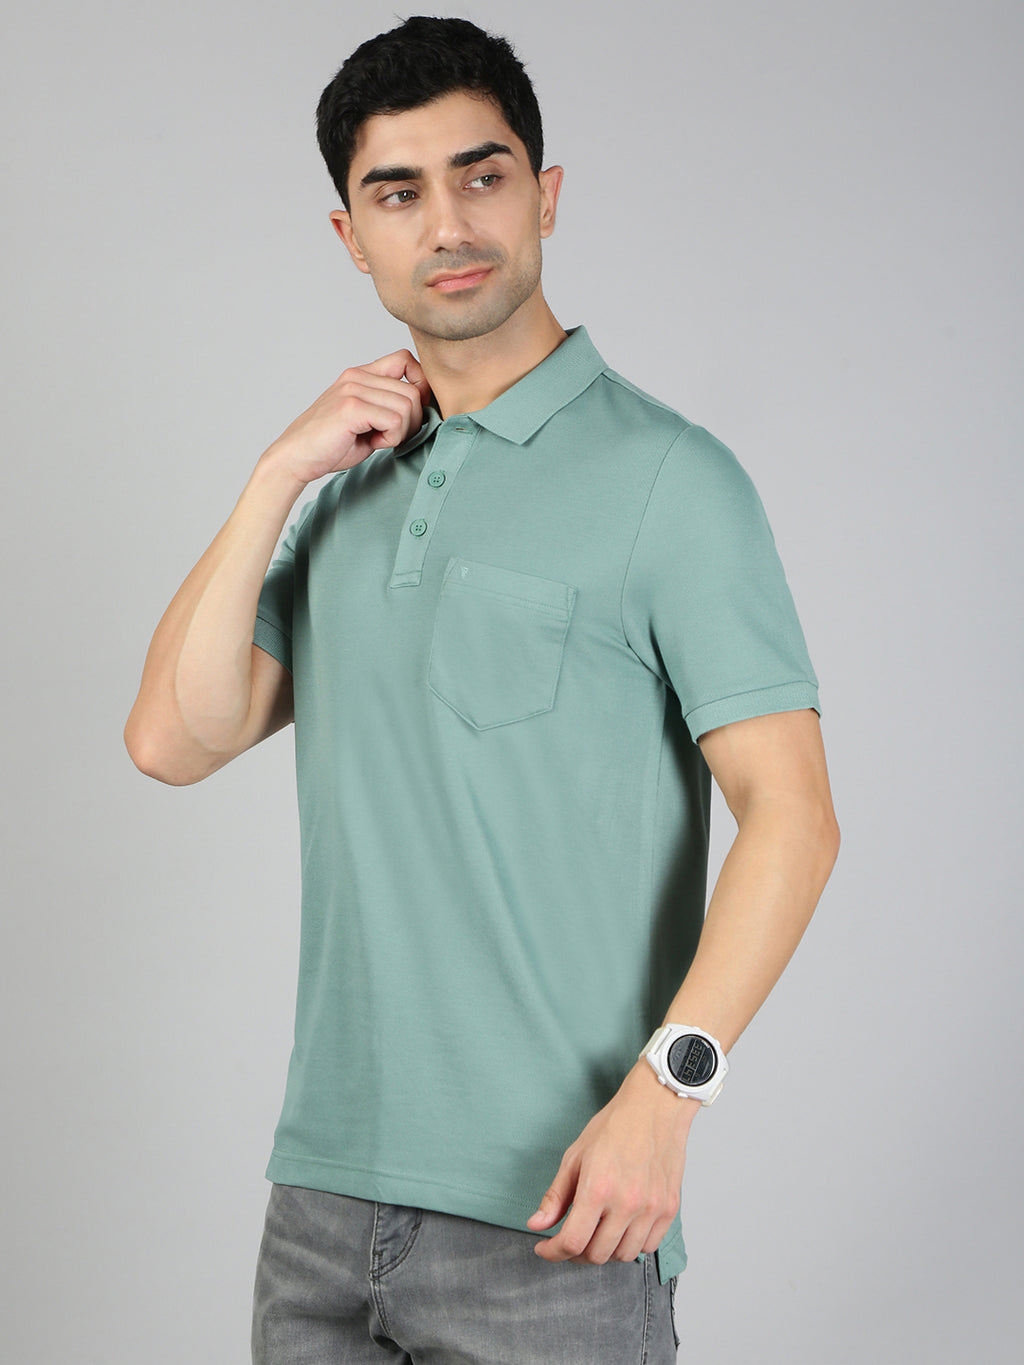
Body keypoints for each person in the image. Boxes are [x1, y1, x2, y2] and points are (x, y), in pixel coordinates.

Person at [125, 15, 840, 1364]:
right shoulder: (343, 493)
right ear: (352, 236)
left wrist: (668, 1094)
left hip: (558, 1217)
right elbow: (172, 735)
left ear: (545, 195)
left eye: (483, 174)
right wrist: (278, 473)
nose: (448, 224)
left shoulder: (672, 481)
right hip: (320, 1206)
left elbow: (794, 817)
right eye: (398, 193)